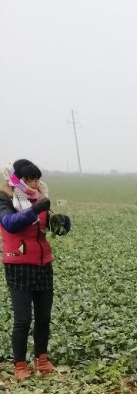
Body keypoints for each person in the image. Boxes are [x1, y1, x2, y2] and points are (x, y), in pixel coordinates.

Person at [1, 159, 71, 380]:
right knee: (23, 319)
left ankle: (42, 359)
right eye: (29, 179)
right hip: (18, 264)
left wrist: (60, 223)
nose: (34, 183)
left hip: (43, 264)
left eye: (37, 179)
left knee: (43, 317)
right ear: (17, 179)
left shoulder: (40, 198)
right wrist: (35, 209)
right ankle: (20, 365)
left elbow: (45, 226)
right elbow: (10, 223)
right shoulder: (6, 198)